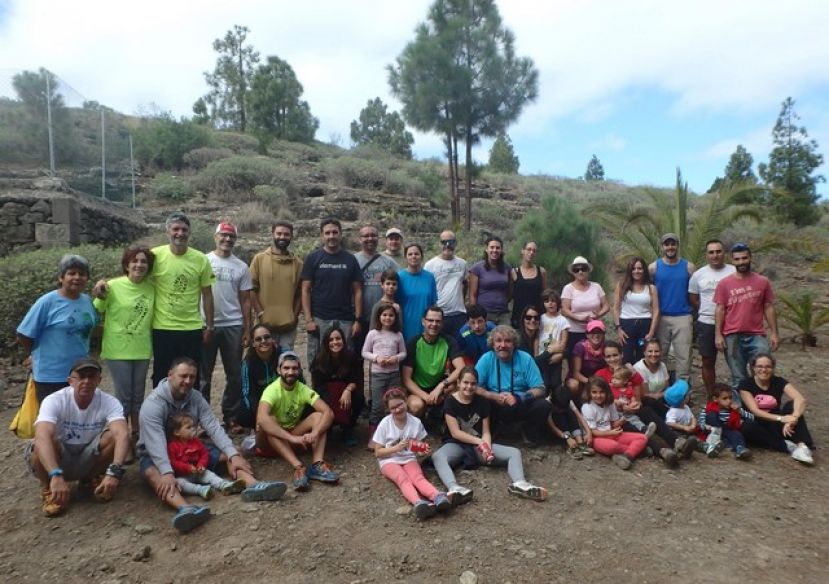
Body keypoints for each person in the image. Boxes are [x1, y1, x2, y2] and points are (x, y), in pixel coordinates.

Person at [138, 357, 286, 533]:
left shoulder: (196, 397)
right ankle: (186, 509)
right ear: (170, 375)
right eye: (183, 376)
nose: (188, 381)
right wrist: (166, 471)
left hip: (190, 448)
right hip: (158, 453)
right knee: (152, 473)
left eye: (192, 377)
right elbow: (155, 442)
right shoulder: (152, 405)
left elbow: (213, 427)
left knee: (235, 452)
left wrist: (233, 454)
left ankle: (254, 485)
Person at [25, 358, 129, 517]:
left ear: (99, 380)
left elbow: (121, 434)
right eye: (81, 376)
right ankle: (49, 488)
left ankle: (89, 480)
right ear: (70, 381)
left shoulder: (110, 402)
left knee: (114, 437)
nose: (86, 381)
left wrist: (114, 472)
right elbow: (42, 435)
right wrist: (55, 474)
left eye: (92, 376)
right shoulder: (54, 400)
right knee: (41, 441)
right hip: (59, 454)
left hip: (87, 453)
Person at [432, 367, 548, 502]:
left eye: (473, 384)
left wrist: (486, 448)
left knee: (514, 452)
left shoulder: (482, 402)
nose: (469, 387)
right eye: (465, 382)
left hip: (478, 447)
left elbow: (486, 430)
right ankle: (454, 488)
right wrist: (480, 442)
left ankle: (520, 483)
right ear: (458, 383)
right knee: (438, 456)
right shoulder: (450, 402)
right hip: (457, 444)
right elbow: (455, 433)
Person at [93, 244, 155, 462]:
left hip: (141, 350)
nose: (139, 265)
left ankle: (138, 439)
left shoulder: (151, 289)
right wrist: (99, 286)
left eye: (144, 262)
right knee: (123, 398)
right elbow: (98, 308)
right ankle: (123, 441)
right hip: (117, 350)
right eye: (134, 261)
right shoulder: (112, 286)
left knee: (138, 397)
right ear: (126, 264)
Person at [17, 254, 97, 404]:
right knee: (52, 421)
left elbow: (89, 329)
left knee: (76, 418)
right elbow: (23, 333)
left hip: (80, 372)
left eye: (82, 274)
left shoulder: (87, 301)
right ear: (61, 277)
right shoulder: (47, 302)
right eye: (71, 273)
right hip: (51, 374)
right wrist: (33, 354)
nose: (77, 277)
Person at [255, 351, 340, 491]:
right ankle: (298, 467)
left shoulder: (302, 388)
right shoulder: (272, 390)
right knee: (269, 421)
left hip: (291, 435)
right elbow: (262, 419)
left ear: (299, 370)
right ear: (279, 370)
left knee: (319, 417)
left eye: (294, 368)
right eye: (286, 368)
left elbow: (328, 412)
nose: (290, 372)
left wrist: (315, 433)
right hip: (268, 443)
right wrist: (292, 439)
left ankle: (317, 464)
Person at [149, 212, 216, 388]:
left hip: (191, 328)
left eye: (184, 229)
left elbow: (207, 294)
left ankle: (188, 414)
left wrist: (209, 326)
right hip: (162, 327)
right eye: (176, 229)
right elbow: (135, 277)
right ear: (167, 231)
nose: (180, 233)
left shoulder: (200, 259)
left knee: (191, 375)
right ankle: (163, 414)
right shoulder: (154, 256)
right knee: (162, 374)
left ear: (189, 233)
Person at [371, 388, 453, 520]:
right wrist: (396, 448)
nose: (397, 409)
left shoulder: (415, 422)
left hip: (408, 458)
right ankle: (418, 502)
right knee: (402, 478)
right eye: (393, 408)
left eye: (400, 405)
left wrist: (422, 450)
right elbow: (378, 452)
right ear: (389, 410)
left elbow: (419, 445)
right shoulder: (385, 423)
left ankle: (437, 496)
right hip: (388, 460)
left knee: (418, 477)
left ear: (406, 402)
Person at [201, 221, 252, 430]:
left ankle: (231, 415)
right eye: (223, 235)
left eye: (231, 236)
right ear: (215, 237)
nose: (227, 239)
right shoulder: (203, 261)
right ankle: (202, 419)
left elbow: (246, 300)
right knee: (203, 375)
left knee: (235, 374)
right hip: (206, 324)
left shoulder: (241, 266)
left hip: (233, 324)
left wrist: (248, 328)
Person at [715, 243, 779, 396]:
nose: (741, 262)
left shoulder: (762, 281)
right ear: (732, 260)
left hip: (756, 335)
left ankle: (764, 404)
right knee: (738, 377)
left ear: (750, 258)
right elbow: (720, 309)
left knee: (763, 371)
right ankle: (742, 411)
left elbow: (768, 307)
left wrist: (775, 333)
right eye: (737, 259)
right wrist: (718, 334)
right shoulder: (724, 284)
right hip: (733, 336)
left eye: (744, 258)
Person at [474, 325, 551, 445]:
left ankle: (528, 431)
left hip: (520, 403)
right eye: (498, 341)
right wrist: (493, 396)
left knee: (543, 405)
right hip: (494, 404)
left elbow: (540, 389)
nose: (503, 345)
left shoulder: (525, 358)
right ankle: (492, 430)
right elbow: (473, 386)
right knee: (478, 400)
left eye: (507, 341)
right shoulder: (486, 359)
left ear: (514, 344)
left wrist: (518, 397)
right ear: (493, 344)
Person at [301, 217, 363, 365]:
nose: (331, 236)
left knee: (345, 358)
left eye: (335, 232)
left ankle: (345, 388)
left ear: (341, 234)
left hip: (345, 319)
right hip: (320, 318)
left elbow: (358, 291)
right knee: (317, 360)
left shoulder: (350, 259)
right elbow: (305, 290)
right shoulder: (313, 258)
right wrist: (308, 319)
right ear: (322, 235)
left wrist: (358, 320)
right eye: (327, 233)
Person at [739, 354, 815, 465]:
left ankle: (802, 446)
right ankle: (786, 446)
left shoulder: (778, 381)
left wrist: (793, 418)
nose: (764, 370)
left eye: (768, 367)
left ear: (773, 368)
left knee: (792, 405)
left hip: (777, 424)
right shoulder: (745, 384)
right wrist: (781, 418)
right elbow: (755, 411)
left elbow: (800, 399)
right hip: (757, 423)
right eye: (759, 366)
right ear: (753, 368)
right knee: (747, 427)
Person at [688, 239, 735, 395]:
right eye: (711, 252)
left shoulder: (734, 272)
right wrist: (705, 310)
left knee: (736, 361)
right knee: (707, 361)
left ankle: (739, 395)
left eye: (718, 251)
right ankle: (711, 395)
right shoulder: (698, 275)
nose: (715, 255)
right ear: (706, 255)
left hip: (732, 323)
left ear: (724, 253)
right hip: (706, 323)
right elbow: (693, 297)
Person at [401, 306, 466, 418]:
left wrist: (441, 386)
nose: (434, 324)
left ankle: (444, 421)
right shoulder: (413, 343)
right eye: (430, 320)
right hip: (418, 388)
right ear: (423, 321)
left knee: (460, 390)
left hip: (439, 387)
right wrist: (426, 397)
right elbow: (406, 379)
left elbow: (461, 367)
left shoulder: (449, 341)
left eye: (438, 321)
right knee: (416, 406)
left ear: (442, 323)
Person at [249, 220, 303, 351]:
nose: (282, 237)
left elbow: (301, 293)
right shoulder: (259, 259)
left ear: (291, 237)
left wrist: (294, 317)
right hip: (264, 326)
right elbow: (251, 289)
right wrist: (260, 313)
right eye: (279, 233)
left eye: (286, 234)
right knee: (263, 362)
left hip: (288, 327)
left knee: (286, 362)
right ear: (273, 234)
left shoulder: (298, 264)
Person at [648, 233, 695, 382]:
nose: (670, 247)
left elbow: (695, 291)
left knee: (684, 356)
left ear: (677, 246)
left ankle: (683, 393)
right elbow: (648, 291)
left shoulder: (688, 267)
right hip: (661, 317)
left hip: (683, 316)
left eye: (673, 244)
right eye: (667, 244)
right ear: (662, 247)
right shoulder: (653, 267)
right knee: (659, 355)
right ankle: (660, 388)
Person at [166, 413, 246, 499]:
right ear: (177, 432)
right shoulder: (173, 446)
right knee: (180, 483)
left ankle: (224, 485)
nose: (193, 429)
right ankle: (200, 490)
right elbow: (173, 462)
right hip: (183, 475)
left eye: (193, 426)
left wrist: (201, 465)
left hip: (199, 471)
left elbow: (204, 453)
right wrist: (187, 468)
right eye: (188, 428)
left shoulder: (195, 441)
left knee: (210, 475)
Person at [311, 326, 365, 446]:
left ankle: (348, 428)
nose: (335, 342)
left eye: (338, 338)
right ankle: (328, 426)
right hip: (327, 393)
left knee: (359, 398)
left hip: (346, 391)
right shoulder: (319, 359)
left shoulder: (351, 356)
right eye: (331, 340)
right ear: (326, 342)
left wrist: (347, 390)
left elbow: (356, 379)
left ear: (343, 340)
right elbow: (317, 386)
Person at [580, 377, 648, 470]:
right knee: (613, 446)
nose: (598, 395)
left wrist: (621, 421)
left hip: (612, 433)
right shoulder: (587, 407)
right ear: (589, 393)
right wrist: (610, 433)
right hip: (598, 438)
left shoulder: (610, 403)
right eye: (594, 392)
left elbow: (614, 424)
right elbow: (593, 432)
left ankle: (627, 456)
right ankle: (638, 450)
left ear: (607, 392)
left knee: (643, 437)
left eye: (601, 392)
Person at [362, 302, 407, 441]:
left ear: (395, 318)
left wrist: (396, 358)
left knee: (394, 403)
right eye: (385, 315)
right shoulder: (373, 334)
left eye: (391, 315)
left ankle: (393, 433)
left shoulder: (398, 335)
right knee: (377, 406)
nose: (388, 318)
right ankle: (373, 436)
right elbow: (364, 352)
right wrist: (376, 358)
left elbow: (404, 352)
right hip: (377, 375)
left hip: (394, 374)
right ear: (379, 316)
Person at [355, 224, 399, 351]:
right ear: (360, 239)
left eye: (373, 235)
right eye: (366, 236)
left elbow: (401, 280)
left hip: (383, 319)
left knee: (382, 355)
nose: (370, 238)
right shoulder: (353, 260)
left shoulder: (388, 261)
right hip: (359, 317)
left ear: (378, 238)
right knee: (357, 356)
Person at [237, 324, 289, 430]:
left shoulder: (283, 355)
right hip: (262, 403)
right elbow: (248, 393)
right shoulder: (248, 363)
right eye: (258, 339)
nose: (263, 341)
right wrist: (260, 416)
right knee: (243, 414)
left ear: (272, 339)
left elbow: (297, 382)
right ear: (253, 343)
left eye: (267, 337)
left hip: (284, 400)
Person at [561, 256, 609, 363]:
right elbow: (565, 310)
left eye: (583, 269)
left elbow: (606, 306)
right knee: (575, 362)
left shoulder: (597, 287)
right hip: (575, 331)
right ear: (573, 272)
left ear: (588, 271)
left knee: (596, 361)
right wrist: (578, 318)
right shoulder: (568, 288)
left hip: (595, 331)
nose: (580, 272)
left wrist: (598, 315)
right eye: (576, 270)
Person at [613, 256, 659, 365]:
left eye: (639, 268)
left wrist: (651, 332)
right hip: (627, 327)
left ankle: (642, 381)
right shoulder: (622, 286)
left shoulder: (651, 288)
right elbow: (615, 308)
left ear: (644, 270)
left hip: (644, 327)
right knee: (626, 357)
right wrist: (618, 328)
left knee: (642, 357)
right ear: (630, 270)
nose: (636, 271)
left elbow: (656, 310)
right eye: (633, 269)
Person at [424, 230, 468, 339]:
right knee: (440, 345)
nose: (447, 245)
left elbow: (465, 284)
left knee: (462, 343)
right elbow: (427, 289)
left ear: (456, 243)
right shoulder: (430, 265)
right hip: (440, 315)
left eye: (451, 242)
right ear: (439, 244)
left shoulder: (463, 264)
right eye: (444, 242)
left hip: (459, 315)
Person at [698, 383, 754, 459]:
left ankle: (739, 449)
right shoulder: (708, 407)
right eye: (725, 398)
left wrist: (740, 411)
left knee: (736, 435)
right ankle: (712, 446)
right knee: (711, 415)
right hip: (713, 430)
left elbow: (751, 418)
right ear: (715, 399)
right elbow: (701, 419)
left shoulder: (734, 409)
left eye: (730, 398)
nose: (729, 401)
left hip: (727, 431)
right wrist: (704, 426)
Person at [398, 243, 438, 342]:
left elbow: (433, 303)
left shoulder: (429, 277)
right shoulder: (399, 277)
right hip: (406, 324)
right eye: (410, 254)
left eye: (416, 254)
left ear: (422, 256)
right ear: (405, 257)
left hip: (426, 325)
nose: (413, 256)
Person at [468, 236, 511, 325]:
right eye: (492, 247)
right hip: (484, 314)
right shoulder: (477, 268)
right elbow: (473, 295)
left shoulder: (507, 268)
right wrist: (474, 315)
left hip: (503, 314)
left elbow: (510, 291)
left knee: (506, 337)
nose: (495, 250)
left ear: (501, 250)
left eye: (498, 248)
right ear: (486, 249)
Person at [565, 319, 607, 399]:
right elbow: (576, 373)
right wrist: (591, 382)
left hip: (598, 378)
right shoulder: (580, 347)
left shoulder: (606, 347)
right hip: (581, 379)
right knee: (573, 385)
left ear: (603, 334)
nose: (596, 335)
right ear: (587, 335)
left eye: (599, 332)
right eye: (592, 332)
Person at [538, 289, 569, 394]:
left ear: (557, 303)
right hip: (542, 355)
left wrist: (559, 354)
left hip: (556, 357)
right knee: (544, 383)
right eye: (546, 301)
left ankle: (557, 406)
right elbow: (536, 337)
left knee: (556, 384)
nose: (550, 303)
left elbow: (564, 341)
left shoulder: (562, 320)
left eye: (553, 301)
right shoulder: (540, 318)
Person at [510, 241, 547, 329]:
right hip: (519, 316)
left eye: (534, 251)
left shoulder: (541, 271)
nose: (531, 253)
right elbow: (510, 295)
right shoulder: (514, 272)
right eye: (529, 249)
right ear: (522, 251)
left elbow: (545, 295)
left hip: (537, 316)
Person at [632, 339, 670, 414]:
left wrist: (662, 395)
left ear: (661, 352)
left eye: (656, 351)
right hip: (647, 403)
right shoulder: (639, 368)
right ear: (644, 352)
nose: (653, 354)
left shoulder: (662, 365)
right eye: (650, 351)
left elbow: (667, 386)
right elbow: (644, 394)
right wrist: (664, 394)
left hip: (662, 398)